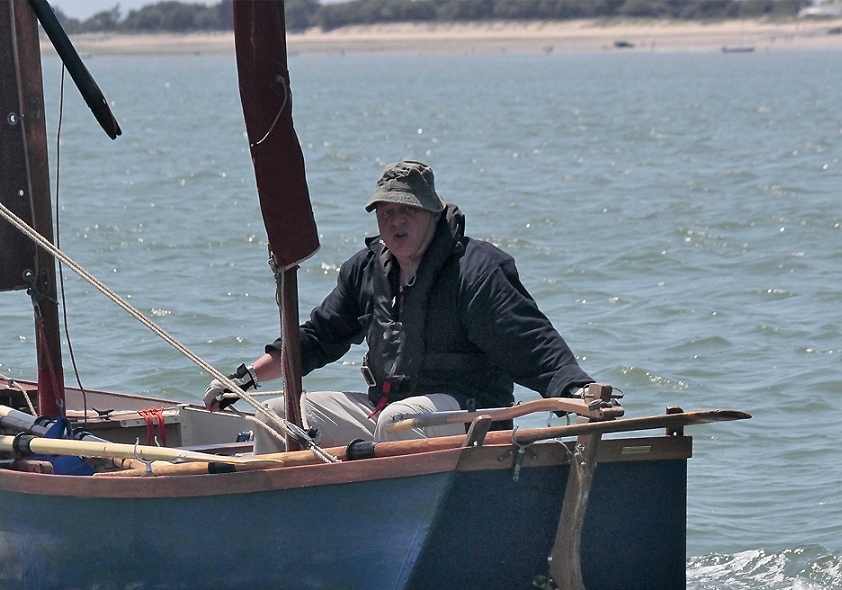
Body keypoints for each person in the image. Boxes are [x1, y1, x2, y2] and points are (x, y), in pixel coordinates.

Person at [204, 160, 595, 454]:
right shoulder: (366, 269)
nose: (396, 221)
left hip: (471, 414)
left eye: (407, 210)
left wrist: (577, 389)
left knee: (398, 422)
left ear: (433, 213)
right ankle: (290, 527)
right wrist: (245, 379)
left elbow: (531, 342)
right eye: (386, 212)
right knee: (276, 417)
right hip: (384, 409)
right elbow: (318, 337)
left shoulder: (478, 271)